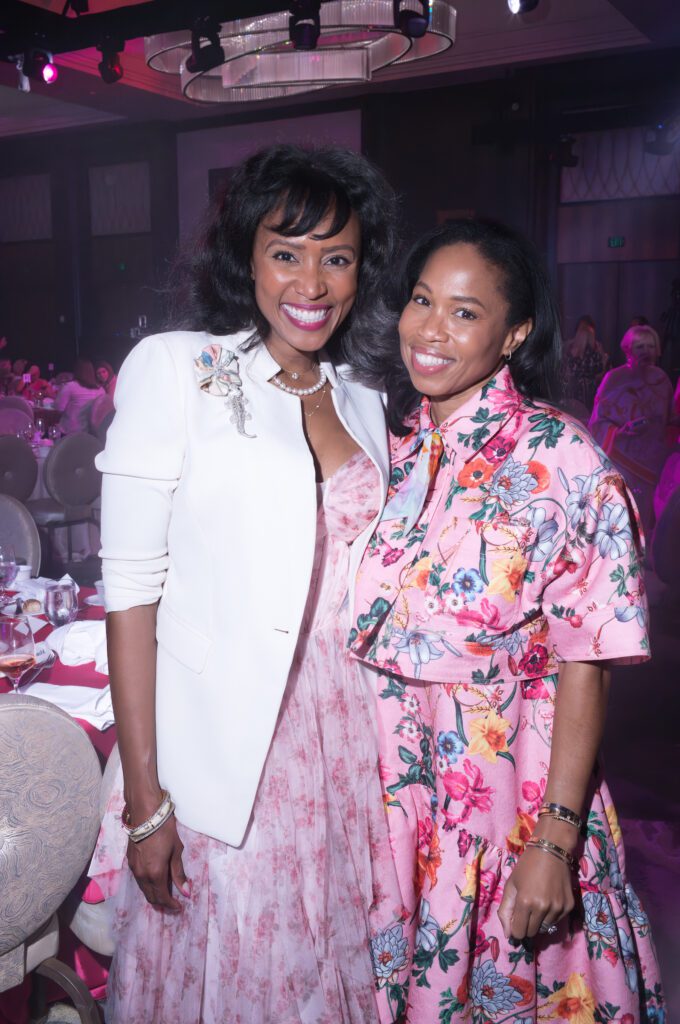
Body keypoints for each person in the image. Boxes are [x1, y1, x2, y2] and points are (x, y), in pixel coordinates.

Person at [88, 144, 404, 1023]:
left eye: (337, 257)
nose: (312, 282)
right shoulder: (179, 370)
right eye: (286, 252)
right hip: (225, 745)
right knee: (238, 971)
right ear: (247, 256)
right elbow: (130, 594)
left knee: (329, 963)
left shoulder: (365, 396)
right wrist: (146, 803)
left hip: (347, 739)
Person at [349, 220, 664, 1022]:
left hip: (500, 803)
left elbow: (587, 660)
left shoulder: (564, 462)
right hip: (385, 800)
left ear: (515, 332)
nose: (430, 330)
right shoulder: (390, 450)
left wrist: (554, 839)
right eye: (423, 301)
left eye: (464, 312)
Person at [589, 324, 674, 533]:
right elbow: (598, 420)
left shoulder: (662, 380)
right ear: (628, 350)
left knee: (645, 518)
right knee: (618, 516)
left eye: (650, 346)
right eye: (640, 346)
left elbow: (668, 420)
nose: (646, 351)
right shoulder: (614, 379)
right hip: (620, 457)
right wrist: (619, 431)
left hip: (652, 461)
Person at [562, 314, 608, 410]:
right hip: (579, 393)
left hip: (584, 393)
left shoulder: (594, 350)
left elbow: (600, 371)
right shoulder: (570, 348)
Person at [54, 357, 105, 434]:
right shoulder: (101, 390)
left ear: (76, 371)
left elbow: (59, 408)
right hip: (92, 433)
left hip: (70, 433)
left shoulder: (70, 386)